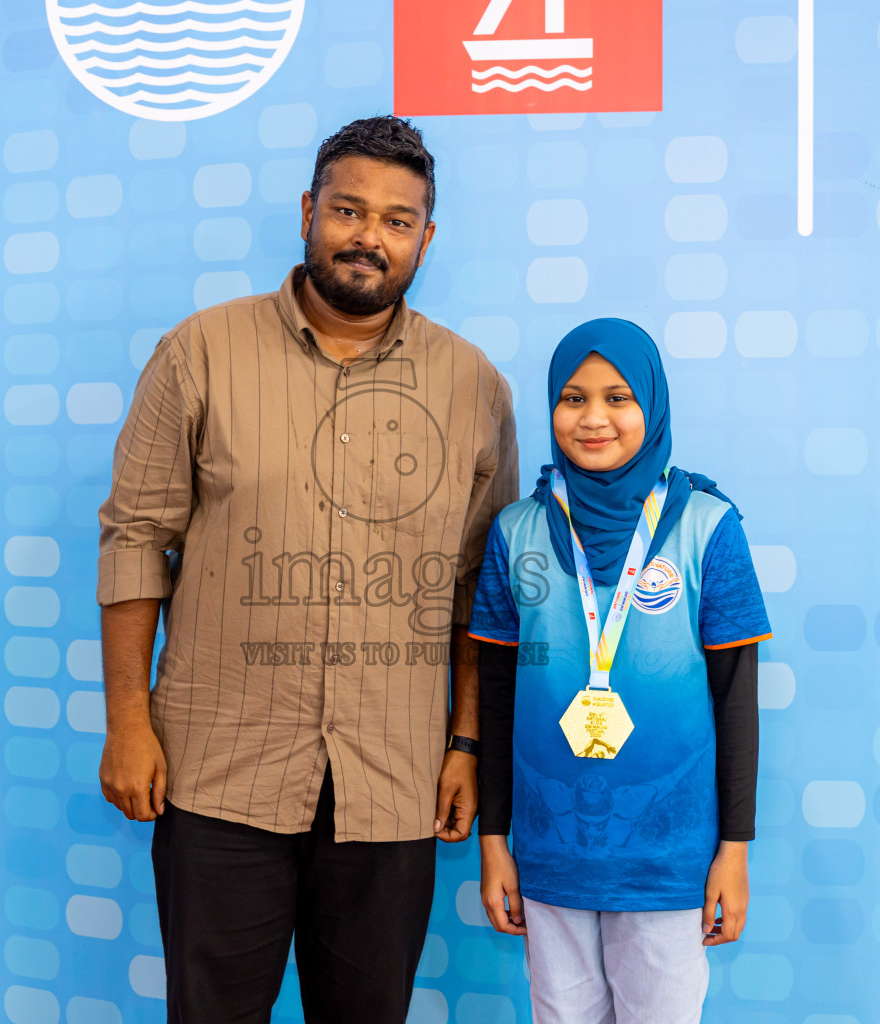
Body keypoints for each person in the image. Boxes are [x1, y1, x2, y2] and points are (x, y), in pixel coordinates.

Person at [96, 116, 519, 1023]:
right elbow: (135, 538)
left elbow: (480, 590)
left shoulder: (474, 386)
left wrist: (467, 741)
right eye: (349, 210)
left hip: (393, 778)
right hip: (218, 771)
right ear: (307, 213)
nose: (370, 236)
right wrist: (128, 724)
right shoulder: (199, 352)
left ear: (426, 239)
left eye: (398, 221)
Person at [469, 319, 770, 1023]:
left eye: (618, 398)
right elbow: (496, 694)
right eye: (572, 398)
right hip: (549, 855)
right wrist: (495, 843)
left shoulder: (707, 526)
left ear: (654, 407)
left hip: (670, 863)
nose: (594, 418)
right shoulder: (516, 532)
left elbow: (736, 702)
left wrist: (733, 852)